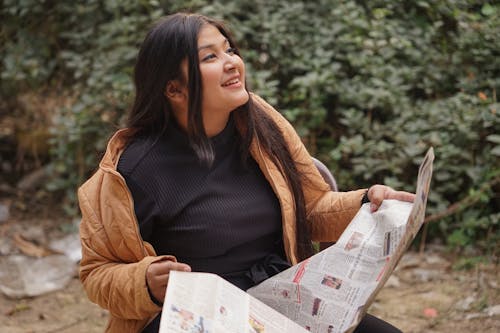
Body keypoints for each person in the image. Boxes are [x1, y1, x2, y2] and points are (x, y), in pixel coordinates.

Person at [78, 13, 415, 333]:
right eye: (209, 57)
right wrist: (145, 283)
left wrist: (365, 203)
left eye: (229, 50)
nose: (232, 62)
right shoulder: (132, 171)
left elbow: (311, 207)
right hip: (201, 317)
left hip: (279, 299)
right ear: (174, 90)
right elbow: (97, 272)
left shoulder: (260, 123)